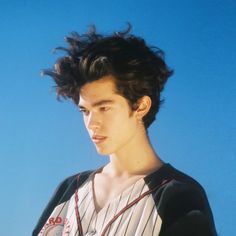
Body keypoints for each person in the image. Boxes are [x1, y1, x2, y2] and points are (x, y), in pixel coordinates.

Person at [33, 25, 217, 236]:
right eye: (85, 111)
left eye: (104, 108)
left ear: (141, 106)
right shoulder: (69, 189)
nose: (92, 123)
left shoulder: (179, 197)